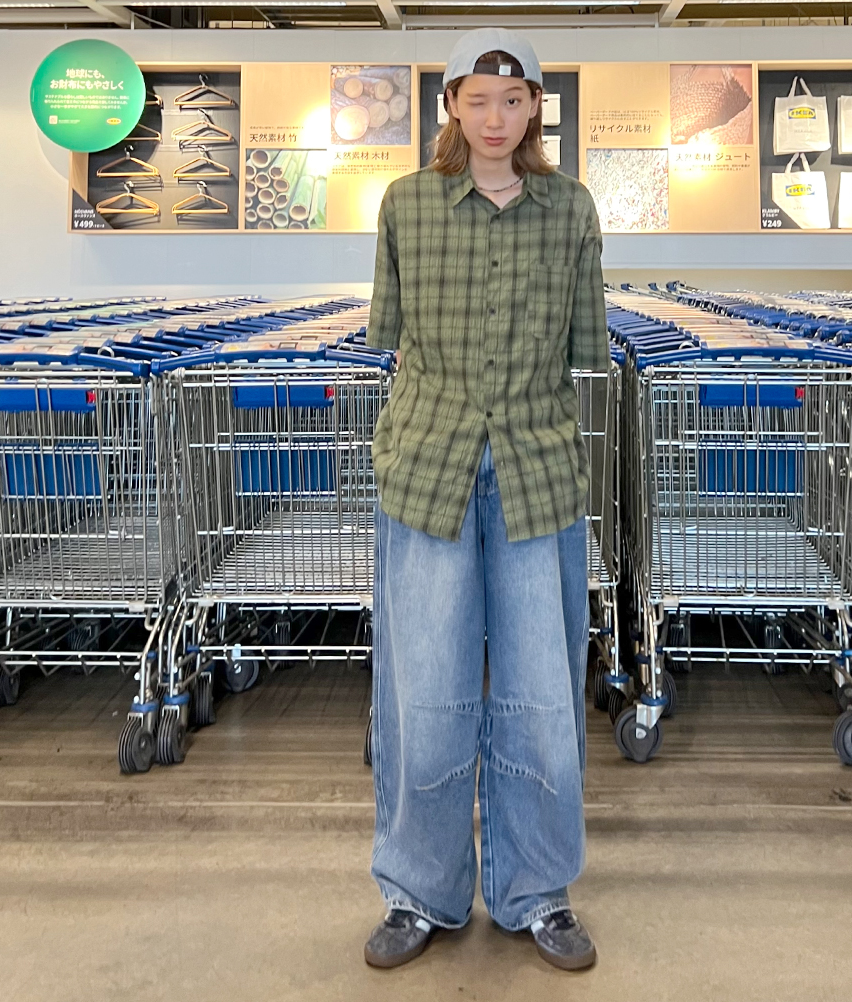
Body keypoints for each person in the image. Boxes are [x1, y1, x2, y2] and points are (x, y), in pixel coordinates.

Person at [363, 27, 609, 972]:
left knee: (543, 696)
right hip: (428, 468)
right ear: (451, 107)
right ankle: (417, 891)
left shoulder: (570, 208)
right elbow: (391, 338)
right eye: (478, 100)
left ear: (537, 107)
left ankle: (537, 891)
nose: (496, 118)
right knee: (423, 693)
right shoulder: (405, 205)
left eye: (514, 100)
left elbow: (583, 346)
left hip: (537, 472)